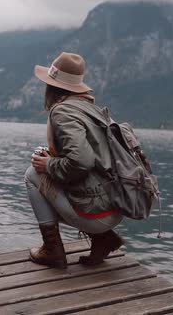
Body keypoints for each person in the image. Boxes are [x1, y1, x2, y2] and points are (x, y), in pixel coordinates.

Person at [25, 52, 123, 269]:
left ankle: (52, 251)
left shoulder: (62, 112)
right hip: (116, 208)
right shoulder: (93, 110)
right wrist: (54, 161)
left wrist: (48, 164)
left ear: (52, 86)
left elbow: (82, 160)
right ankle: (104, 239)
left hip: (97, 216)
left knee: (32, 174)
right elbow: (91, 161)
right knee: (49, 172)